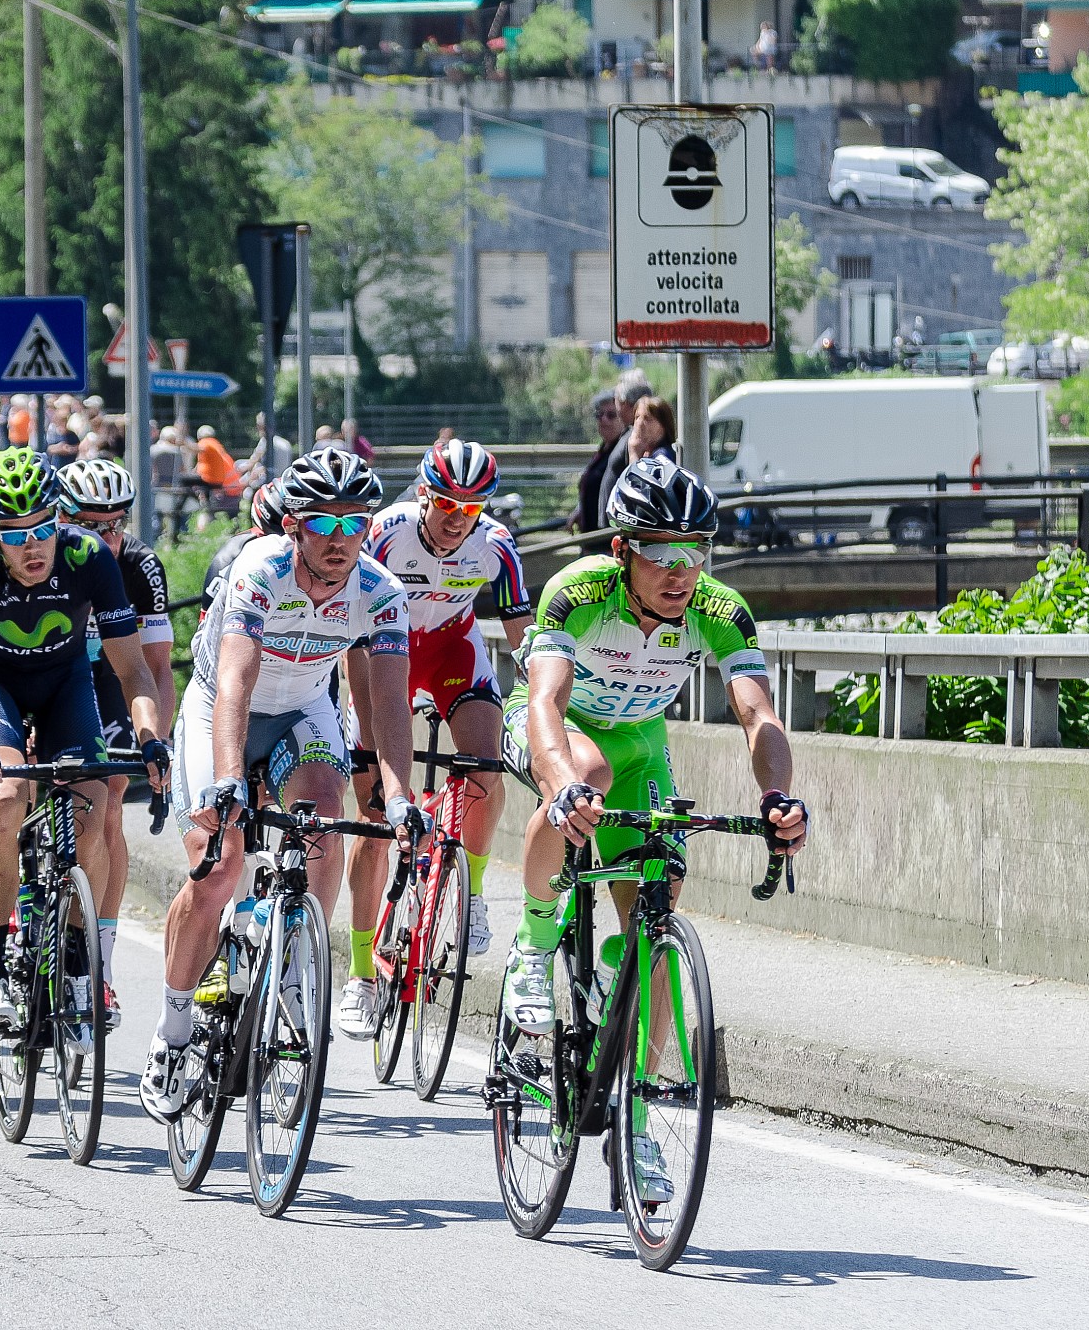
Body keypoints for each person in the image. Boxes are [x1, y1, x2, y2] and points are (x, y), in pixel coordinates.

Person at [501, 458, 808, 1196]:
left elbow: (757, 712)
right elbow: (546, 702)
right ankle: (535, 944)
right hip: (557, 730)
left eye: (696, 551)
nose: (682, 571)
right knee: (590, 776)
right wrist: (562, 781)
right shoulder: (577, 592)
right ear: (622, 550)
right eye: (663, 554)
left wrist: (777, 797)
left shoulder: (718, 608)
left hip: (641, 744)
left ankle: (637, 1124)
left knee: (661, 898)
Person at [141, 446, 429, 1117]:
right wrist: (225, 781)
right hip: (222, 705)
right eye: (322, 525)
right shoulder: (259, 569)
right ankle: (174, 1029)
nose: (339, 539)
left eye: (353, 524)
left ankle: (301, 961)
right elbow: (236, 680)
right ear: (293, 527)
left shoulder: (381, 592)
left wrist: (398, 796)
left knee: (326, 817)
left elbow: (387, 705)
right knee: (217, 867)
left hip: (304, 707)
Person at [0, 447, 169, 1038]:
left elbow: (134, 670)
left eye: (43, 528)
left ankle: (73, 955)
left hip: (66, 685)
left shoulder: (89, 555)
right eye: (15, 536)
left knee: (95, 806)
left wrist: (150, 736)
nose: (33, 546)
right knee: (8, 800)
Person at [336, 439, 533, 1038]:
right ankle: (360, 973)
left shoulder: (496, 545)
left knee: (484, 765)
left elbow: (524, 637)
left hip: (451, 650)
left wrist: (547, 701)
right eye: (446, 502)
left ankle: (471, 893)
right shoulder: (384, 533)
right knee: (375, 816)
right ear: (424, 494)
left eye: (470, 509)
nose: (456, 518)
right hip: (378, 653)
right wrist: (371, 732)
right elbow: (348, 624)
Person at [56, 459, 176, 1025]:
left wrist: (158, 742)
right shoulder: (40, 559)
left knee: (105, 811)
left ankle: (97, 963)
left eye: (115, 524)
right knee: (30, 794)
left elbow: (156, 668)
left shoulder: (138, 564)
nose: (105, 538)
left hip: (110, 686)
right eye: (89, 524)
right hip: (48, 681)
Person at [605, 395, 678, 524]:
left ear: (663, 425)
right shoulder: (647, 453)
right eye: (637, 417)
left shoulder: (662, 457)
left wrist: (633, 454)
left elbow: (640, 495)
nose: (639, 424)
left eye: (647, 418)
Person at [572, 390, 627, 533]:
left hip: (608, 539)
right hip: (591, 538)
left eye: (611, 415)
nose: (604, 420)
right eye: (599, 415)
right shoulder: (603, 451)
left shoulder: (624, 450)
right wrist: (580, 510)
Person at [148, 425, 185, 541]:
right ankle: (176, 537)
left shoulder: (153, 450)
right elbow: (182, 470)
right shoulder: (177, 452)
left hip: (157, 486)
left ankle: (154, 539)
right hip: (172, 487)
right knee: (175, 515)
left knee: (156, 516)